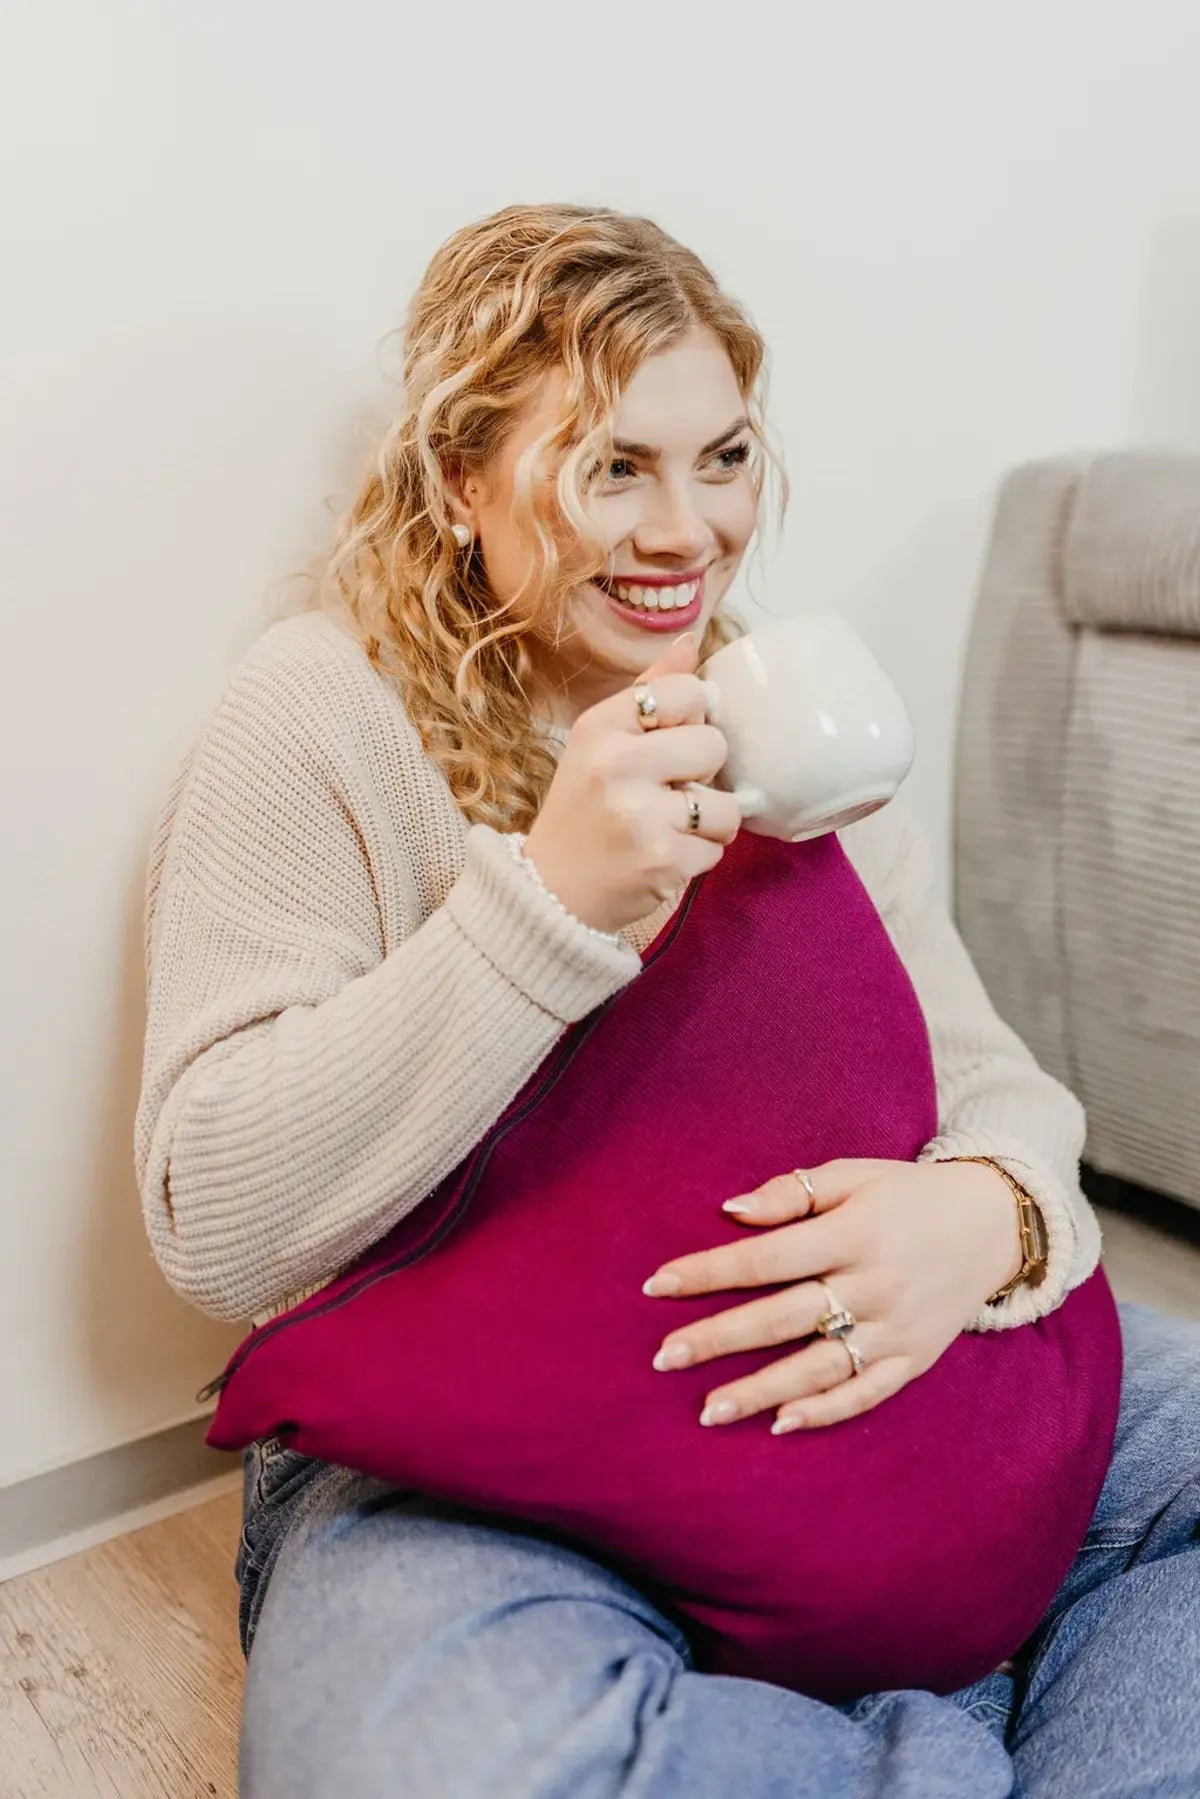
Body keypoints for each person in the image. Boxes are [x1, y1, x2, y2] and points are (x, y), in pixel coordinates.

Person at [134, 204, 1200, 1797]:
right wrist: (545, 908)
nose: (689, 532)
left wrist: (987, 1217)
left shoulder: (789, 718)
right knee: (436, 1762)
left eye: (726, 458)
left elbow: (1005, 1086)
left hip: (880, 1391)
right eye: (613, 467)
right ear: (462, 483)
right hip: (492, 1475)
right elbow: (214, 1218)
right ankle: (956, 1726)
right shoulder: (326, 711)